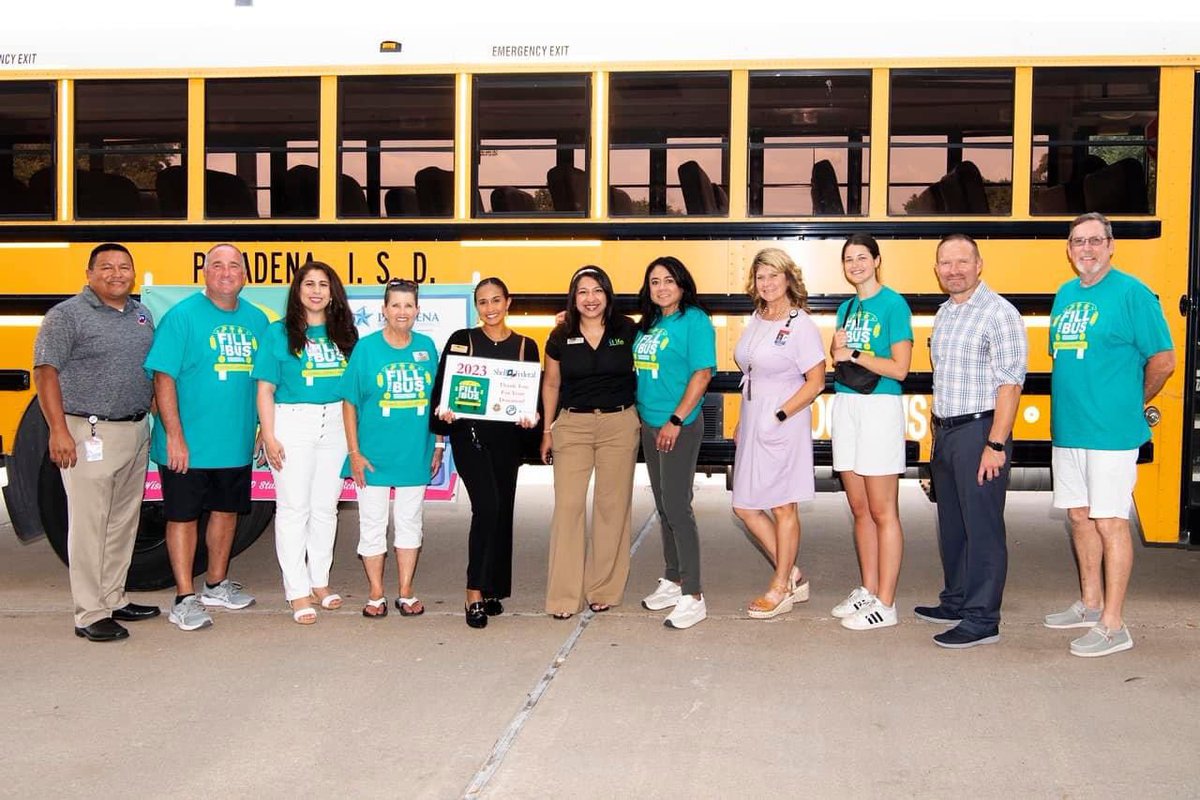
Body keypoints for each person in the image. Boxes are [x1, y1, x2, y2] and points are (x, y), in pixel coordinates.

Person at [1043, 212, 1174, 657]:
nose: (1087, 249)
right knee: (1079, 517)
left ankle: (1114, 624)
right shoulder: (1064, 294)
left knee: (1111, 521)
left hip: (1111, 434)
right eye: (1078, 241)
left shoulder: (1133, 293)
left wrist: (1130, 403)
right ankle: (1089, 602)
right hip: (1070, 430)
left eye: (1096, 240)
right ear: (1068, 249)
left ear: (1111, 245)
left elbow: (1163, 359)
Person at [33, 243, 158, 642]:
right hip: (88, 433)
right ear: (89, 274)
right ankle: (89, 613)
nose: (116, 274)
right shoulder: (66, 316)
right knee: (89, 525)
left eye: (124, 267)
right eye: (106, 267)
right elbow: (46, 373)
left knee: (123, 522)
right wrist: (57, 430)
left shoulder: (141, 314)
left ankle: (114, 596)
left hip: (135, 430)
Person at [145, 242, 269, 631]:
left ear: (246, 275)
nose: (227, 272)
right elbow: (163, 378)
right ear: (205, 272)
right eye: (218, 265)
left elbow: (267, 381)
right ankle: (184, 597)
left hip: (233, 442)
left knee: (226, 513)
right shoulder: (182, 317)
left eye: (234, 265)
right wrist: (175, 436)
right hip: (187, 446)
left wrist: (263, 428)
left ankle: (215, 584)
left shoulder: (258, 320)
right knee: (182, 517)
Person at [917, 234, 1027, 649]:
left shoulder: (999, 313)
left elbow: (1010, 383)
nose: (954, 270)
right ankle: (957, 599)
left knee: (982, 526)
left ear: (979, 264)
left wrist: (995, 444)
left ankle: (982, 619)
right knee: (953, 525)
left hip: (981, 431)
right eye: (946, 263)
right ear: (937, 269)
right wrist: (936, 437)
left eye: (962, 262)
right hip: (946, 431)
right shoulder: (945, 313)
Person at [432, 277, 541, 629]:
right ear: (476, 306)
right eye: (483, 302)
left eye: (496, 300)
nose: (490, 308)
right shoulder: (462, 341)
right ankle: (474, 591)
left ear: (508, 302)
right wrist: (444, 414)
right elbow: (442, 390)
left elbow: (533, 396)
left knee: (502, 510)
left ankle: (494, 588)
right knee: (488, 506)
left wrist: (533, 417)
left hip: (508, 441)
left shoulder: (527, 346)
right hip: (470, 438)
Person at [254, 261, 358, 624]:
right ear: (298, 291)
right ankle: (296, 591)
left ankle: (319, 582)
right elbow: (265, 388)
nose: (316, 290)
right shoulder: (278, 332)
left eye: (323, 285)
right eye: (309, 284)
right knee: (294, 509)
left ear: (333, 293)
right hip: (292, 424)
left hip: (336, 426)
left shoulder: (345, 333)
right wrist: (269, 435)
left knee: (325, 508)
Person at [338, 278, 443, 619]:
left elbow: (440, 401)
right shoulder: (366, 349)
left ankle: (407, 592)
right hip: (372, 457)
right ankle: (376, 593)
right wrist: (354, 452)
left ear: (417, 311)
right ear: (384, 309)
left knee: (411, 522)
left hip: (415, 452)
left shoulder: (427, 347)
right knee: (372, 524)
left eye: (408, 305)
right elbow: (349, 403)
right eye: (395, 305)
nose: (402, 312)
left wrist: (439, 444)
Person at [731, 248, 826, 620]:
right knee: (744, 505)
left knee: (783, 504)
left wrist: (779, 414)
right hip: (755, 418)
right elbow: (753, 373)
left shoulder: (799, 323)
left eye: (773, 275)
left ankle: (781, 585)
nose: (766, 283)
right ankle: (792, 573)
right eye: (760, 276)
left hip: (784, 419)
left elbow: (816, 382)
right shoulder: (757, 318)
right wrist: (745, 420)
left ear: (788, 278)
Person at [541, 266, 640, 620]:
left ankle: (603, 589)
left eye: (597, 290)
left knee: (611, 508)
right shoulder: (560, 335)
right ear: (573, 297)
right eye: (583, 292)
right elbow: (551, 384)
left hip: (619, 423)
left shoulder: (628, 329)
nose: (590, 298)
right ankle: (564, 596)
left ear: (608, 294)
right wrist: (547, 430)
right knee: (568, 507)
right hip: (573, 425)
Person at [829, 234, 913, 631]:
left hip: (879, 407)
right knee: (859, 509)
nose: (856, 264)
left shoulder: (893, 303)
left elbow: (900, 368)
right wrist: (838, 351)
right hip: (847, 405)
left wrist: (855, 353)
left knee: (883, 511)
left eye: (862, 257)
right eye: (849, 259)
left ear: (877, 260)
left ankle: (887, 602)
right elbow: (840, 361)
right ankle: (868, 588)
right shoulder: (846, 307)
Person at [633, 256, 716, 630]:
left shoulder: (694, 320)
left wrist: (676, 419)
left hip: (677, 426)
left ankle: (694, 595)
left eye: (668, 280)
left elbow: (702, 374)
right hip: (651, 425)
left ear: (682, 284)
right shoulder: (650, 324)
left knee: (678, 507)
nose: (661, 287)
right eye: (654, 282)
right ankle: (673, 577)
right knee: (663, 505)